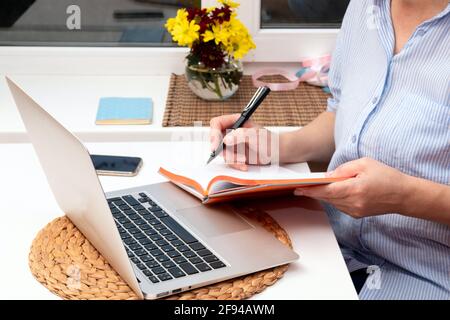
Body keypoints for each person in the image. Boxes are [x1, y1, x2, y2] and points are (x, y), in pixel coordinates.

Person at [209, 0, 450, 299]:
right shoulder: (364, 8)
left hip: (424, 275)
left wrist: (404, 196)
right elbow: (342, 115)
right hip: (330, 245)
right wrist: (274, 147)